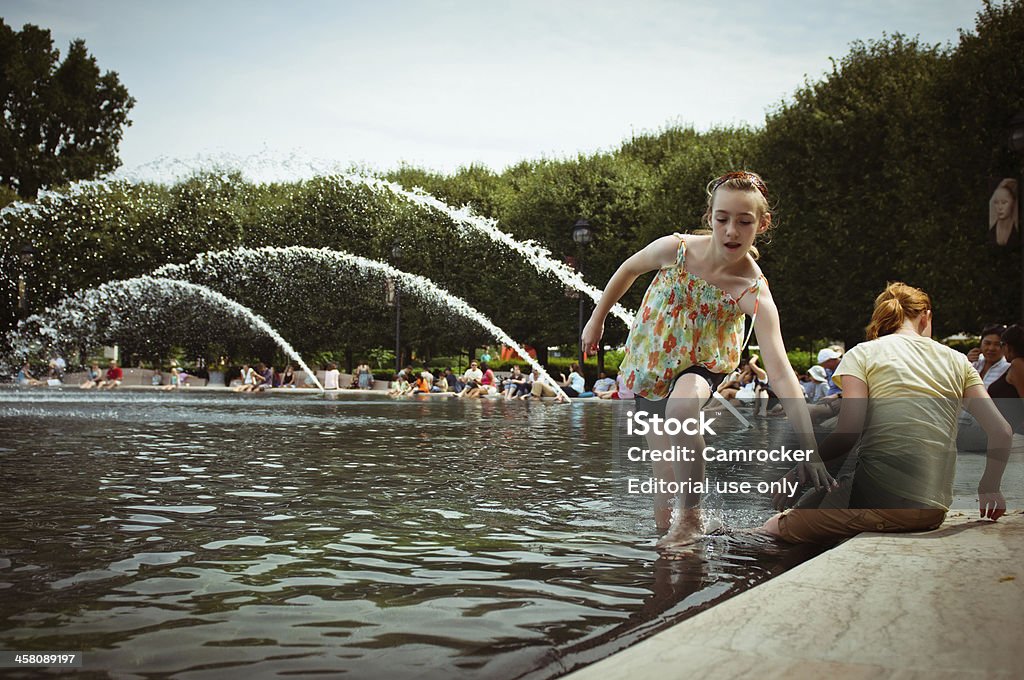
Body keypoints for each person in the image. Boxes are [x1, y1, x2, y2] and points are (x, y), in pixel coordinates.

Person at [581, 170, 831, 551]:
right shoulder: (676, 249)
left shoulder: (752, 290)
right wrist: (596, 320)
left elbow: (780, 372)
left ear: (761, 224)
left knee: (683, 411)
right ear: (709, 217)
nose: (732, 230)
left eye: (744, 222)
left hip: (701, 364)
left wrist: (809, 449)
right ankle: (685, 549)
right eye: (722, 219)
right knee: (663, 501)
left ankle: (693, 518)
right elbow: (628, 269)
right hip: (650, 365)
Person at [761, 283, 1011, 544]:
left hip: (880, 499)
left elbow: (847, 435)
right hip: (932, 510)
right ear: (925, 316)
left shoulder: (863, 354)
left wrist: (798, 471)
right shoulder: (959, 360)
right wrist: (990, 487)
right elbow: (1001, 431)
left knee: (773, 529)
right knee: (820, 508)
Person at [966, 324, 1009, 389]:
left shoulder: (1008, 368)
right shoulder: (974, 362)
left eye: (997, 344)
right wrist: (965, 363)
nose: (991, 348)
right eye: (987, 343)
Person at [988, 178, 1019, 248]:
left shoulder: (1017, 233)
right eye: (996, 202)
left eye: (1004, 202)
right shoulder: (990, 231)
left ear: (1013, 204)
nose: (1000, 207)